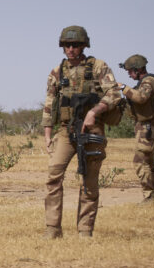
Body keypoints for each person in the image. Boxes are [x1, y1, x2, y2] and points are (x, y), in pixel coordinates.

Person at [41, 26, 122, 239]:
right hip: (66, 131)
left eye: (75, 45)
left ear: (84, 46)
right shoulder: (57, 72)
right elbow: (49, 104)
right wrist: (48, 135)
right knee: (53, 177)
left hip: (92, 130)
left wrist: (94, 112)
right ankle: (52, 229)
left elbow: (114, 94)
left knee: (88, 180)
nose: (71, 49)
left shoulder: (98, 67)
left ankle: (85, 231)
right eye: (67, 45)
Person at [118, 54, 154, 203]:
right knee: (148, 162)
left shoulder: (148, 82)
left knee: (140, 162)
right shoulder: (148, 81)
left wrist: (123, 88)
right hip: (147, 126)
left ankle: (149, 196)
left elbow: (141, 98)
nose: (129, 74)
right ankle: (152, 196)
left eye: (130, 71)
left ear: (138, 69)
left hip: (147, 127)